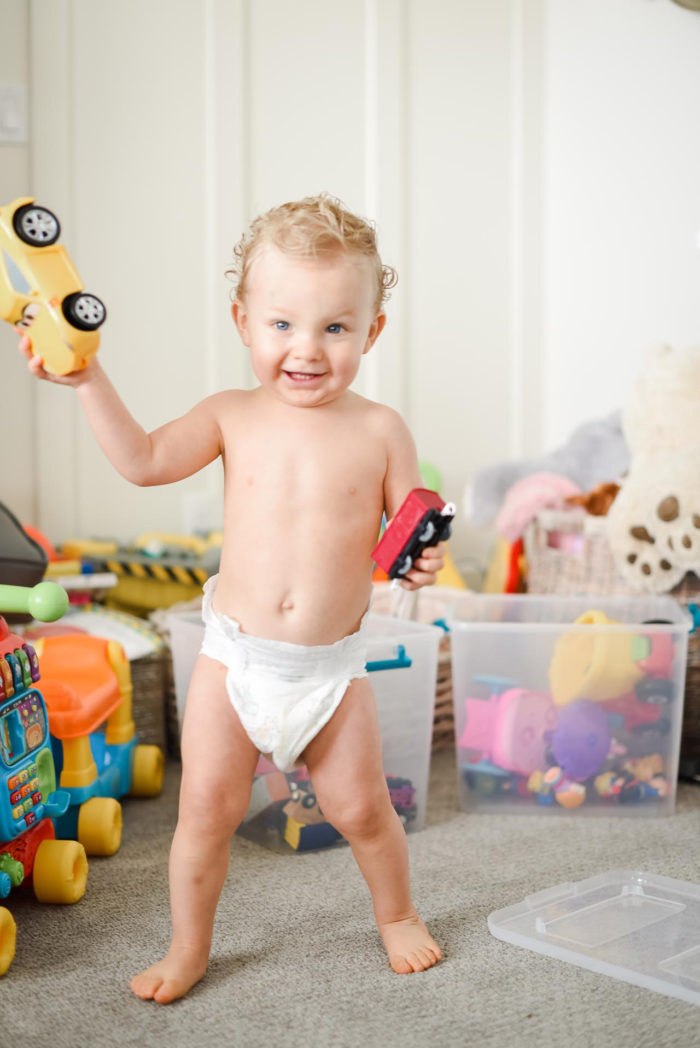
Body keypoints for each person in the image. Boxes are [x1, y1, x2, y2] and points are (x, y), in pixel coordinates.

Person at [18, 194, 445, 1004]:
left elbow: (410, 535)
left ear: (373, 330)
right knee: (204, 815)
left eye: (335, 327)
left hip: (330, 669)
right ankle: (188, 948)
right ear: (244, 320)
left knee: (361, 809)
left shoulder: (382, 429)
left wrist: (419, 568)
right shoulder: (229, 415)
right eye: (282, 325)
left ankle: (397, 915)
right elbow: (142, 460)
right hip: (235, 659)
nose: (306, 350)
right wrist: (86, 377)